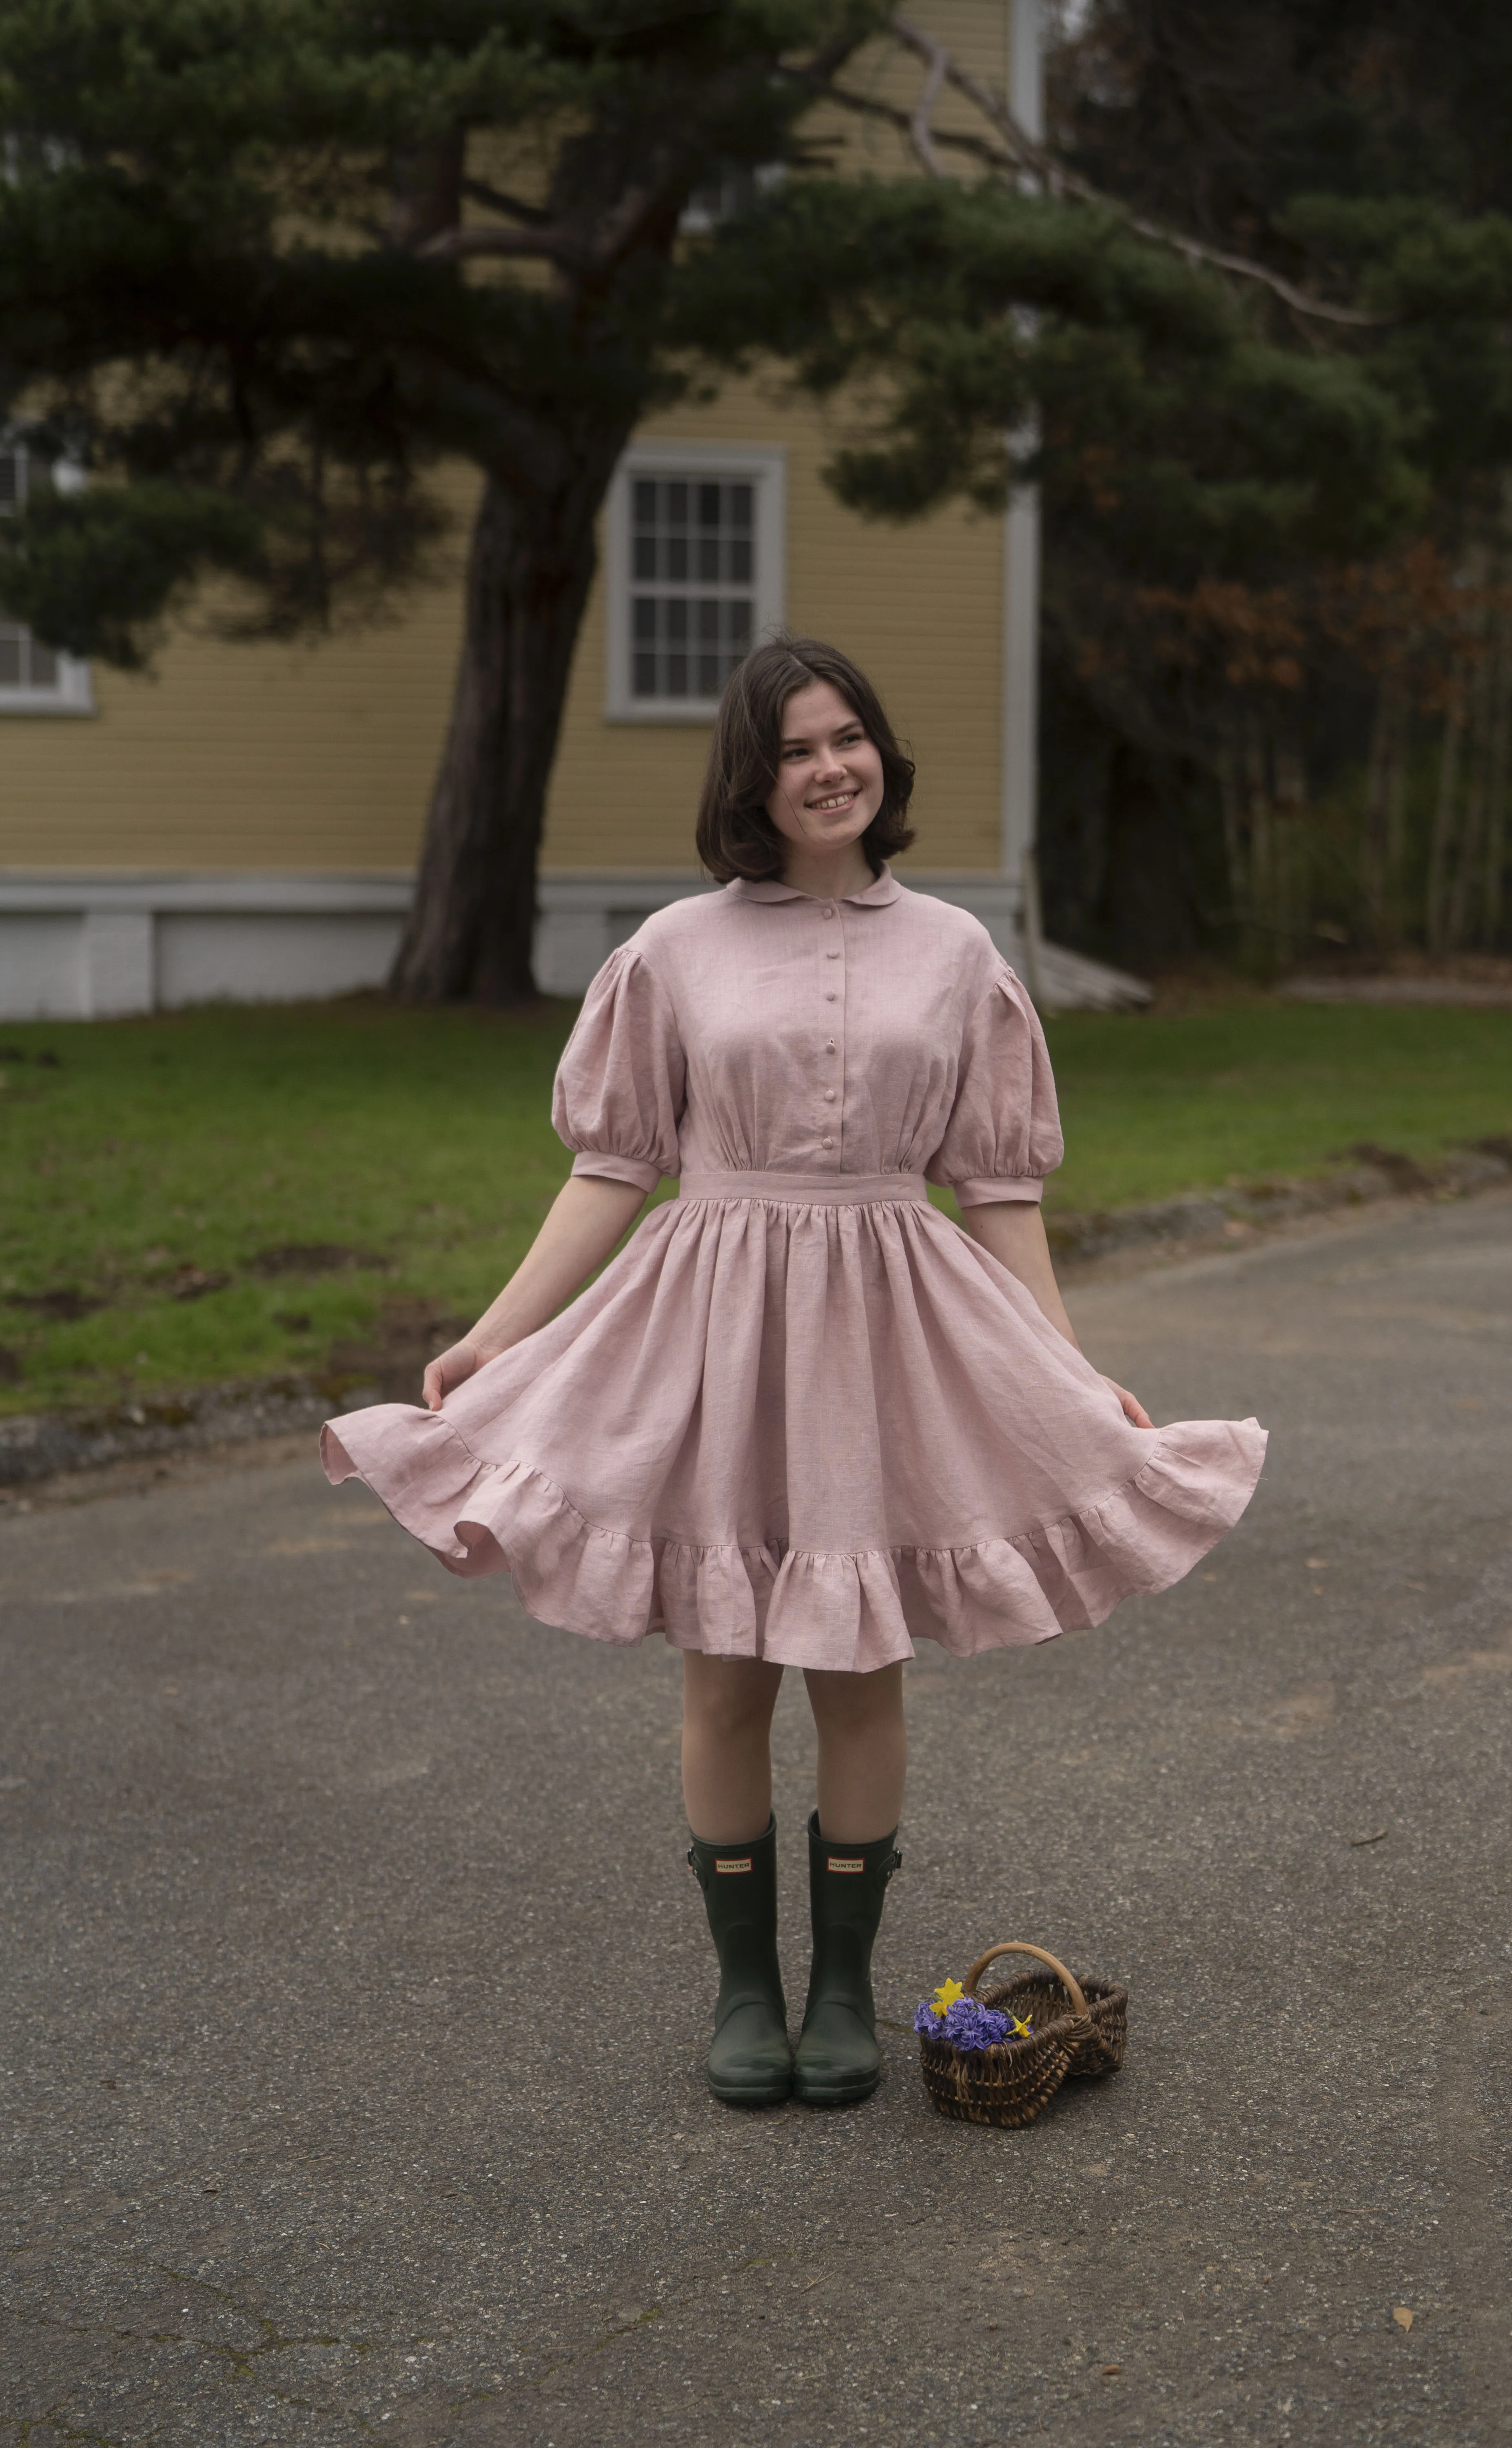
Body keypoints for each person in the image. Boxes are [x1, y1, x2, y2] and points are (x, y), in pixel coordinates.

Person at [322, 635, 1266, 2109]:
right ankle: (746, 1992)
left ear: (880, 756)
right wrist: (498, 1332)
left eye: (848, 739)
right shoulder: (677, 951)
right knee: (723, 1678)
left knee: (859, 1669)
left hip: (883, 1335)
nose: (828, 768)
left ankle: (842, 1996)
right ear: (750, 783)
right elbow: (614, 1164)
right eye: (793, 750)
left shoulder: (958, 953)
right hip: (715, 1331)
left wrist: (1069, 1376)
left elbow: (999, 1192)